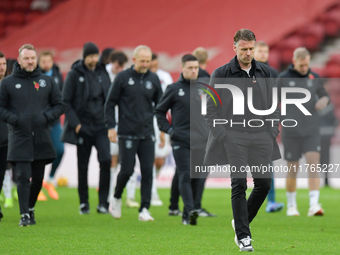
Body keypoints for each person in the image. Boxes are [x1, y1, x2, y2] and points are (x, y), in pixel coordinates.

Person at [204, 29, 281, 251]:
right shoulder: (220, 74)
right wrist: (223, 135)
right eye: (244, 49)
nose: (248, 53)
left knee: (264, 184)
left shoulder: (264, 72)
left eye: (251, 49)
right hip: (233, 135)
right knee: (238, 183)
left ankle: (240, 221)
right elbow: (210, 110)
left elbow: (274, 105)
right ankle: (244, 236)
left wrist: (271, 130)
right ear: (235, 47)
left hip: (261, 135)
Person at [0, 44, 64, 226]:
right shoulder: (7, 83)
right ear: (19, 60)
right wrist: (15, 119)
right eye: (26, 58)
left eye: (32, 58)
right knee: (22, 176)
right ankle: (24, 216)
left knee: (37, 179)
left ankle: (30, 208)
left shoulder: (47, 81)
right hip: (19, 136)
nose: (30, 61)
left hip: (42, 137)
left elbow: (59, 105)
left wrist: (46, 117)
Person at [105, 45, 163, 221]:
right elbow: (110, 103)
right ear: (134, 60)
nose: (145, 64)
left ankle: (144, 209)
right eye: (142, 61)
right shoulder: (123, 78)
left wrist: (162, 130)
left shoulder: (153, 79)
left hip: (147, 133)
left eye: (148, 61)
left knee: (147, 171)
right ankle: (116, 198)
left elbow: (160, 106)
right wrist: (111, 127)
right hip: (126, 133)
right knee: (127, 170)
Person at [155, 54, 210, 225]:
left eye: (196, 68)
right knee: (185, 175)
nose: (194, 71)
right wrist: (170, 130)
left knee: (197, 177)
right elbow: (159, 112)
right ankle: (189, 212)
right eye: (190, 68)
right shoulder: (173, 88)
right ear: (182, 68)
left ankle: (190, 211)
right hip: (181, 141)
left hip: (202, 141)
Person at [276, 47, 329, 217]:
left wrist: (323, 101)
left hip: (311, 129)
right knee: (293, 168)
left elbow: (324, 95)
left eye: (307, 65)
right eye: (302, 65)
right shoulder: (283, 79)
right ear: (294, 61)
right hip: (291, 131)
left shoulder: (314, 77)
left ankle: (314, 205)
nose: (305, 68)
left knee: (314, 165)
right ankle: (292, 205)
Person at [61, 42, 112, 215]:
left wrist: (110, 123)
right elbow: (65, 101)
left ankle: (103, 202)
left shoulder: (102, 72)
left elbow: (110, 99)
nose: (93, 59)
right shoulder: (74, 74)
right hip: (83, 127)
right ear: (84, 57)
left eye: (95, 56)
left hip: (101, 126)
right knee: (83, 166)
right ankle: (84, 203)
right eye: (90, 56)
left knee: (106, 161)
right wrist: (76, 124)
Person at [105, 51, 139, 207]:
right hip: (112, 124)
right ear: (111, 62)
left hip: (129, 124)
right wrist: (110, 125)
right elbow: (108, 103)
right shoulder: (104, 75)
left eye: (122, 66)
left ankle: (130, 196)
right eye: (117, 66)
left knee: (129, 163)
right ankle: (110, 195)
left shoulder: (126, 76)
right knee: (113, 160)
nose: (119, 69)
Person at [254, 41, 284, 213]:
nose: (264, 54)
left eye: (266, 51)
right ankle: (241, 200)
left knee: (268, 164)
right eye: (261, 51)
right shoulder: (246, 72)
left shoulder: (273, 73)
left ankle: (271, 201)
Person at [38, 50, 64, 201]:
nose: (46, 64)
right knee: (38, 154)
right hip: (38, 122)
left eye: (48, 61)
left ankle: (50, 179)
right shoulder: (34, 77)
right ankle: (37, 184)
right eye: (43, 61)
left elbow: (61, 97)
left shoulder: (58, 76)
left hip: (54, 121)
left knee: (60, 150)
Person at [149, 53, 173, 206]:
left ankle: (153, 184)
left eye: (156, 65)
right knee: (149, 158)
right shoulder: (142, 78)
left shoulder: (165, 77)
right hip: (146, 120)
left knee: (160, 160)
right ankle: (152, 192)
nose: (154, 68)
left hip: (162, 121)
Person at [0, 52, 7, 220]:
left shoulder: (9, 85)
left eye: (4, 64)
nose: (2, 68)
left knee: (1, 173)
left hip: (5, 137)